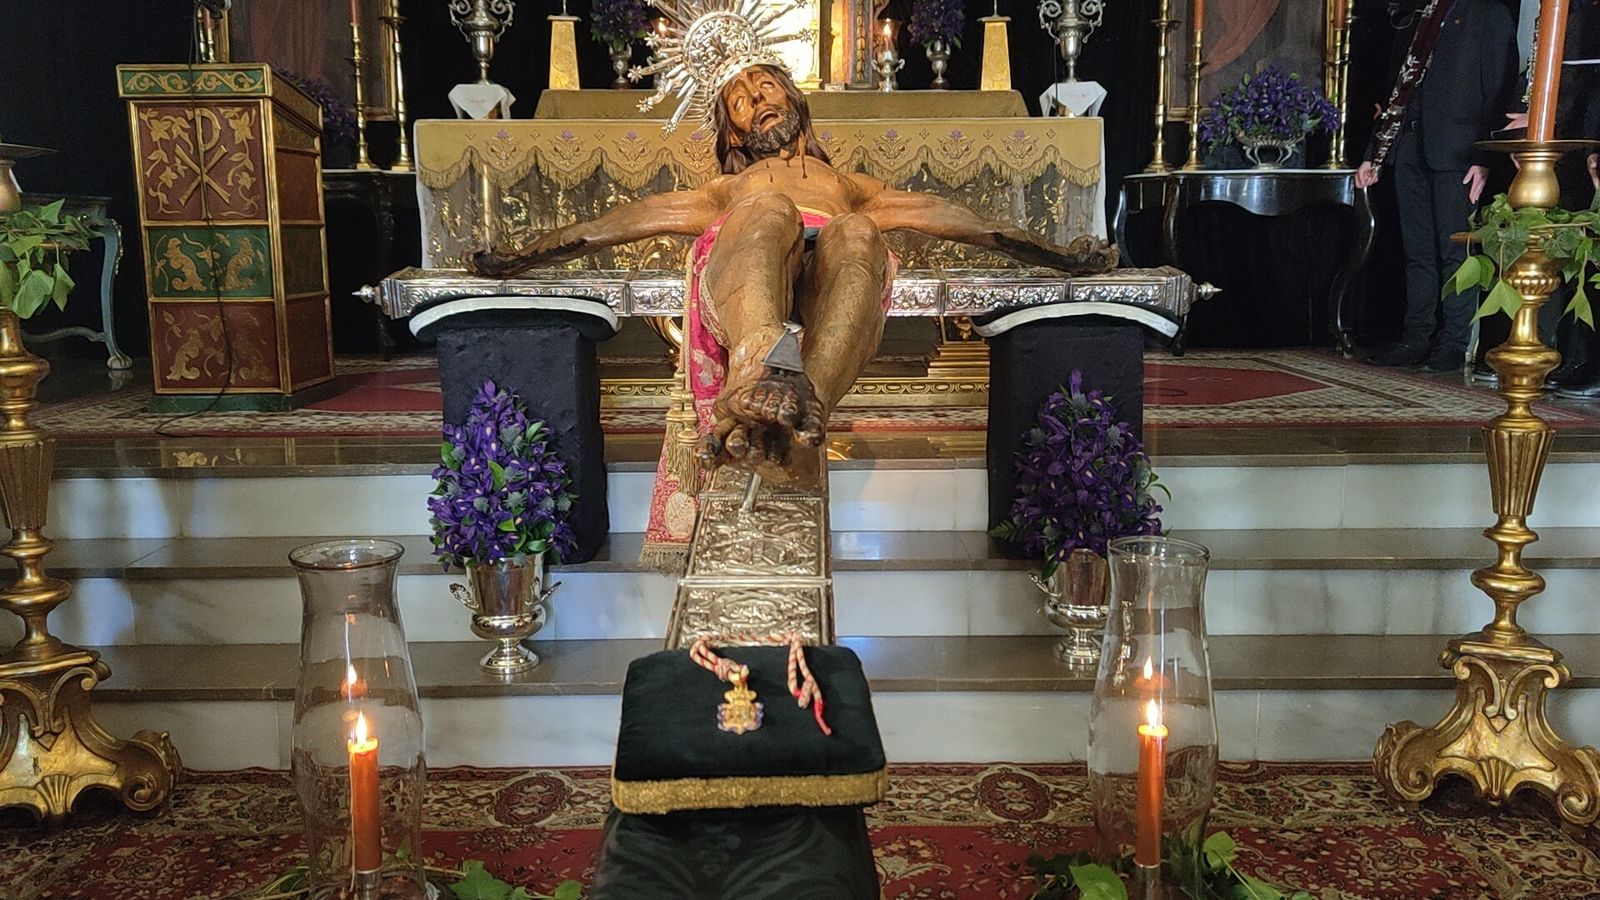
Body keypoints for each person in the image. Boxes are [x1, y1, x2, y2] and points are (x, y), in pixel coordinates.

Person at [471, 64, 1117, 481]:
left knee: (860, 233)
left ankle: (805, 406)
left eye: (764, 87)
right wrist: (528, 252)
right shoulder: (731, 188)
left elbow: (944, 214)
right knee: (771, 209)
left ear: (795, 98)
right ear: (734, 132)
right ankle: (757, 373)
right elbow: (626, 219)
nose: (755, 102)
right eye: (740, 103)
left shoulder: (849, 186)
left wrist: (1052, 252)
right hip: (752, 262)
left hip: (827, 275)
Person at [1353, 0, 1520, 371]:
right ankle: (1417, 336)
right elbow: (1397, 91)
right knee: (1417, 253)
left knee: (1454, 252)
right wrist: (1373, 154)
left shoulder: (1488, 14)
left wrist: (1485, 159)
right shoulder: (1418, 15)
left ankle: (1454, 342)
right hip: (1409, 147)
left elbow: (1499, 88)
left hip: (1458, 153)